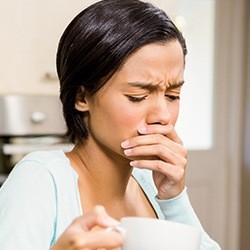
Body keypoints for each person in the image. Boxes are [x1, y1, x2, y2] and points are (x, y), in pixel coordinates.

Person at [0, 0, 221, 249]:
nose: (163, 116)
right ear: (82, 97)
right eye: (137, 96)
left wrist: (175, 199)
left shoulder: (150, 186)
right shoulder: (39, 180)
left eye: (172, 96)